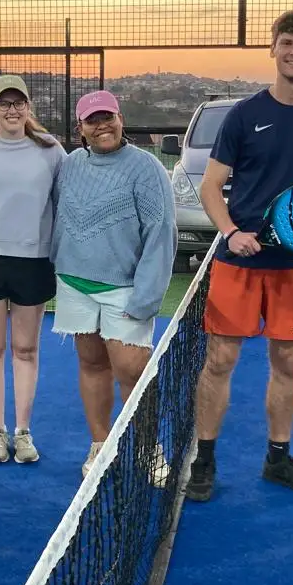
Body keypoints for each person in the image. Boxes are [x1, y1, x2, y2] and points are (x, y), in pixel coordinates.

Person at [185, 9, 293, 504]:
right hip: (240, 262)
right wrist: (231, 232)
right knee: (220, 360)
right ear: (273, 48)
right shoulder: (242, 115)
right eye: (287, 42)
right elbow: (212, 186)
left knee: (288, 361)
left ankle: (278, 458)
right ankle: (203, 460)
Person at [50, 89, 176, 480]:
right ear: (80, 128)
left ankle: (147, 446)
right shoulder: (69, 165)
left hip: (125, 289)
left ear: (121, 120)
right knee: (92, 364)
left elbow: (161, 233)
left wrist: (146, 297)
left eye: (108, 117)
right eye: (92, 120)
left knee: (132, 371)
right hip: (74, 284)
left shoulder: (146, 167)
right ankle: (100, 445)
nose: (101, 125)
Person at [0, 75, 65, 464]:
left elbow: (65, 202)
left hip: (34, 263)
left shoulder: (51, 149)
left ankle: (22, 432)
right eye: (3, 103)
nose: (12, 110)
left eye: (18, 102)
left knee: (26, 349)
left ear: (28, 106)